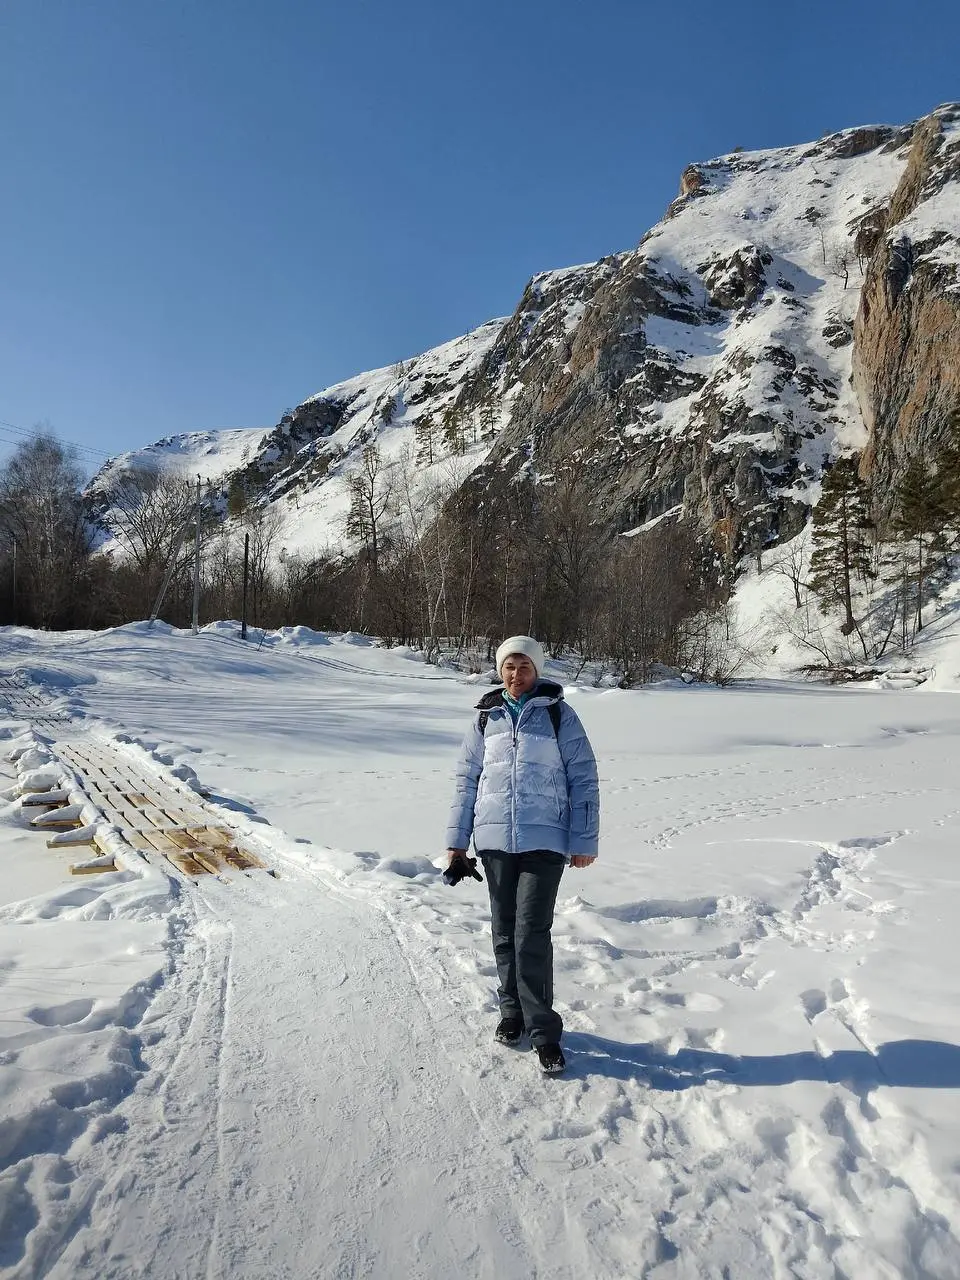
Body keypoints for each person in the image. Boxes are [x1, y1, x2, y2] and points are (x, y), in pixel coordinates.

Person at [445, 635, 600, 1074]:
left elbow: (583, 778)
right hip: (493, 842)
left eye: (525, 667)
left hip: (545, 841)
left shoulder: (558, 716)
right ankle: (511, 1013)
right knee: (504, 930)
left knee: (532, 931)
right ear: (501, 670)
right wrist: (456, 841)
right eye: (509, 666)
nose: (516, 675)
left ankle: (544, 1031)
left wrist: (583, 839)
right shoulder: (485, 718)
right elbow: (466, 782)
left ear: (537, 671)